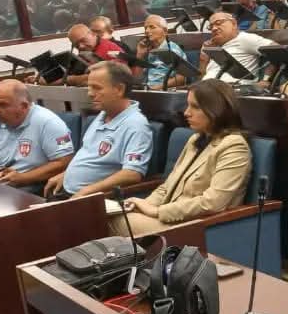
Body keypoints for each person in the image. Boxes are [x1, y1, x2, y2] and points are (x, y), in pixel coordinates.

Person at [113, 80, 251, 234]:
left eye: (195, 107)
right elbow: (167, 187)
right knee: (112, 214)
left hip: (197, 228)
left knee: (114, 220)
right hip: (171, 220)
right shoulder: (196, 139)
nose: (186, 113)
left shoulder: (234, 146)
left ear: (216, 110)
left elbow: (213, 203)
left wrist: (157, 211)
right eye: (188, 105)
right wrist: (142, 206)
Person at [45, 62, 153, 198]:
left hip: (92, 199)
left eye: (97, 88)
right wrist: (65, 175)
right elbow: (89, 157)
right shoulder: (103, 114)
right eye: (89, 87)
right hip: (67, 191)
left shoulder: (136, 125)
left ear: (119, 89)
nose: (90, 93)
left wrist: (88, 191)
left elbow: (132, 174)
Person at [0, 79, 74, 191]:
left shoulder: (49, 123)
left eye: (3, 105)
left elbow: (64, 162)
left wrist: (24, 178)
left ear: (24, 106)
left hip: (27, 191)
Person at [199, 11, 269, 83]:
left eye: (218, 23)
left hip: (233, 87)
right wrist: (204, 59)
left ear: (234, 24)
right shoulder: (214, 46)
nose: (214, 28)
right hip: (207, 86)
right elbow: (202, 78)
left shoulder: (245, 38)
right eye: (211, 26)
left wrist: (265, 80)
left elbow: (275, 51)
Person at [134, 14, 187, 90]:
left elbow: (181, 79)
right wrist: (140, 54)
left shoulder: (173, 49)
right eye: (145, 28)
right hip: (147, 90)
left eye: (152, 27)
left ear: (165, 31)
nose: (147, 31)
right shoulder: (147, 50)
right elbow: (136, 79)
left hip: (165, 91)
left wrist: (154, 89)